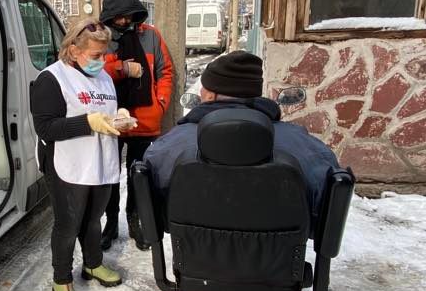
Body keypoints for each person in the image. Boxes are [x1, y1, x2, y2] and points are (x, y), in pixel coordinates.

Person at [143, 51, 340, 224]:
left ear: (210, 96)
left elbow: (152, 206)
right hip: (278, 263)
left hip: (194, 260)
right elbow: (325, 206)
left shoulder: (169, 146)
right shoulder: (305, 147)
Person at [31, 17, 127, 291]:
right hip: (67, 163)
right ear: (73, 51)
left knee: (93, 217)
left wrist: (119, 117)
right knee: (68, 223)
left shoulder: (104, 78)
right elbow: (46, 128)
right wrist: (87, 123)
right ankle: (61, 280)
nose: (102, 61)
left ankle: (93, 262)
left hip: (99, 160)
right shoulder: (51, 79)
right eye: (96, 55)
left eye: (104, 55)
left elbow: (106, 111)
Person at [97, 0, 174, 251]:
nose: (123, 21)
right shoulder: (100, 37)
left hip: (145, 121)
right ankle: (110, 225)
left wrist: (161, 104)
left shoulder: (151, 36)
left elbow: (165, 72)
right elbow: (91, 69)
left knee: (137, 175)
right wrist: (121, 68)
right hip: (111, 121)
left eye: (127, 15)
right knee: (109, 175)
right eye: (117, 17)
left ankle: (135, 222)